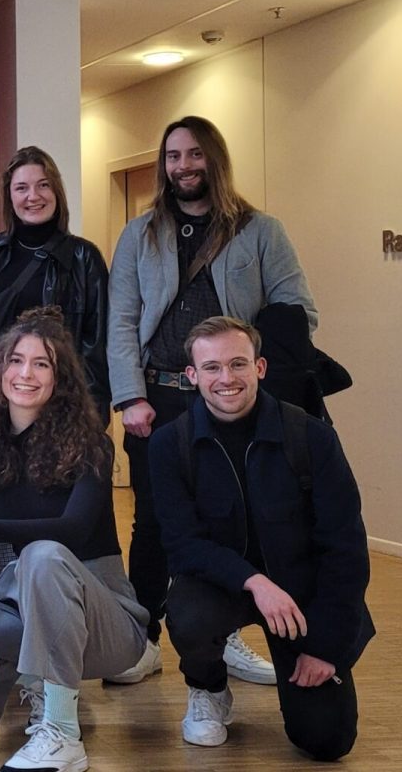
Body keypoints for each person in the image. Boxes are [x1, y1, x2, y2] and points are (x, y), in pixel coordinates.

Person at [106, 116, 314, 686]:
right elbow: (120, 322)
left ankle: (225, 641)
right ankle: (142, 640)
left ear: (214, 160)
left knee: (231, 524)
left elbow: (298, 311)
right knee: (151, 525)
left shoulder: (260, 231)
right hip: (159, 401)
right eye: (173, 157)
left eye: (194, 155)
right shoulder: (138, 234)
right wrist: (129, 398)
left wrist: (241, 378)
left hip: (230, 403)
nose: (183, 167)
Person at [0, 309, 148, 772]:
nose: (26, 373)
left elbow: (73, 531)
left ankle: (63, 734)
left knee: (42, 556)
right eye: (16, 360)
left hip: (109, 621)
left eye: (42, 363)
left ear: (61, 378)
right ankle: (40, 683)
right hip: (29, 603)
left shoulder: (91, 443)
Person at [152, 317, 371, 761]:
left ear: (261, 367)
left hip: (301, 598)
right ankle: (208, 687)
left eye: (238, 364)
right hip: (221, 589)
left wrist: (327, 649)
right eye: (211, 367)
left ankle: (308, 674)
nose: (226, 378)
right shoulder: (167, 446)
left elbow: (345, 548)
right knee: (188, 614)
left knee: (327, 742)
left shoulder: (312, 437)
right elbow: (182, 545)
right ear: (192, 376)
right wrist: (256, 582)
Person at [0, 146, 108, 409]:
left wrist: (91, 411)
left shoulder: (84, 257)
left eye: (43, 185)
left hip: (57, 397)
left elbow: (96, 345)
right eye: (21, 188)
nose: (33, 196)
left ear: (57, 191)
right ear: (9, 197)